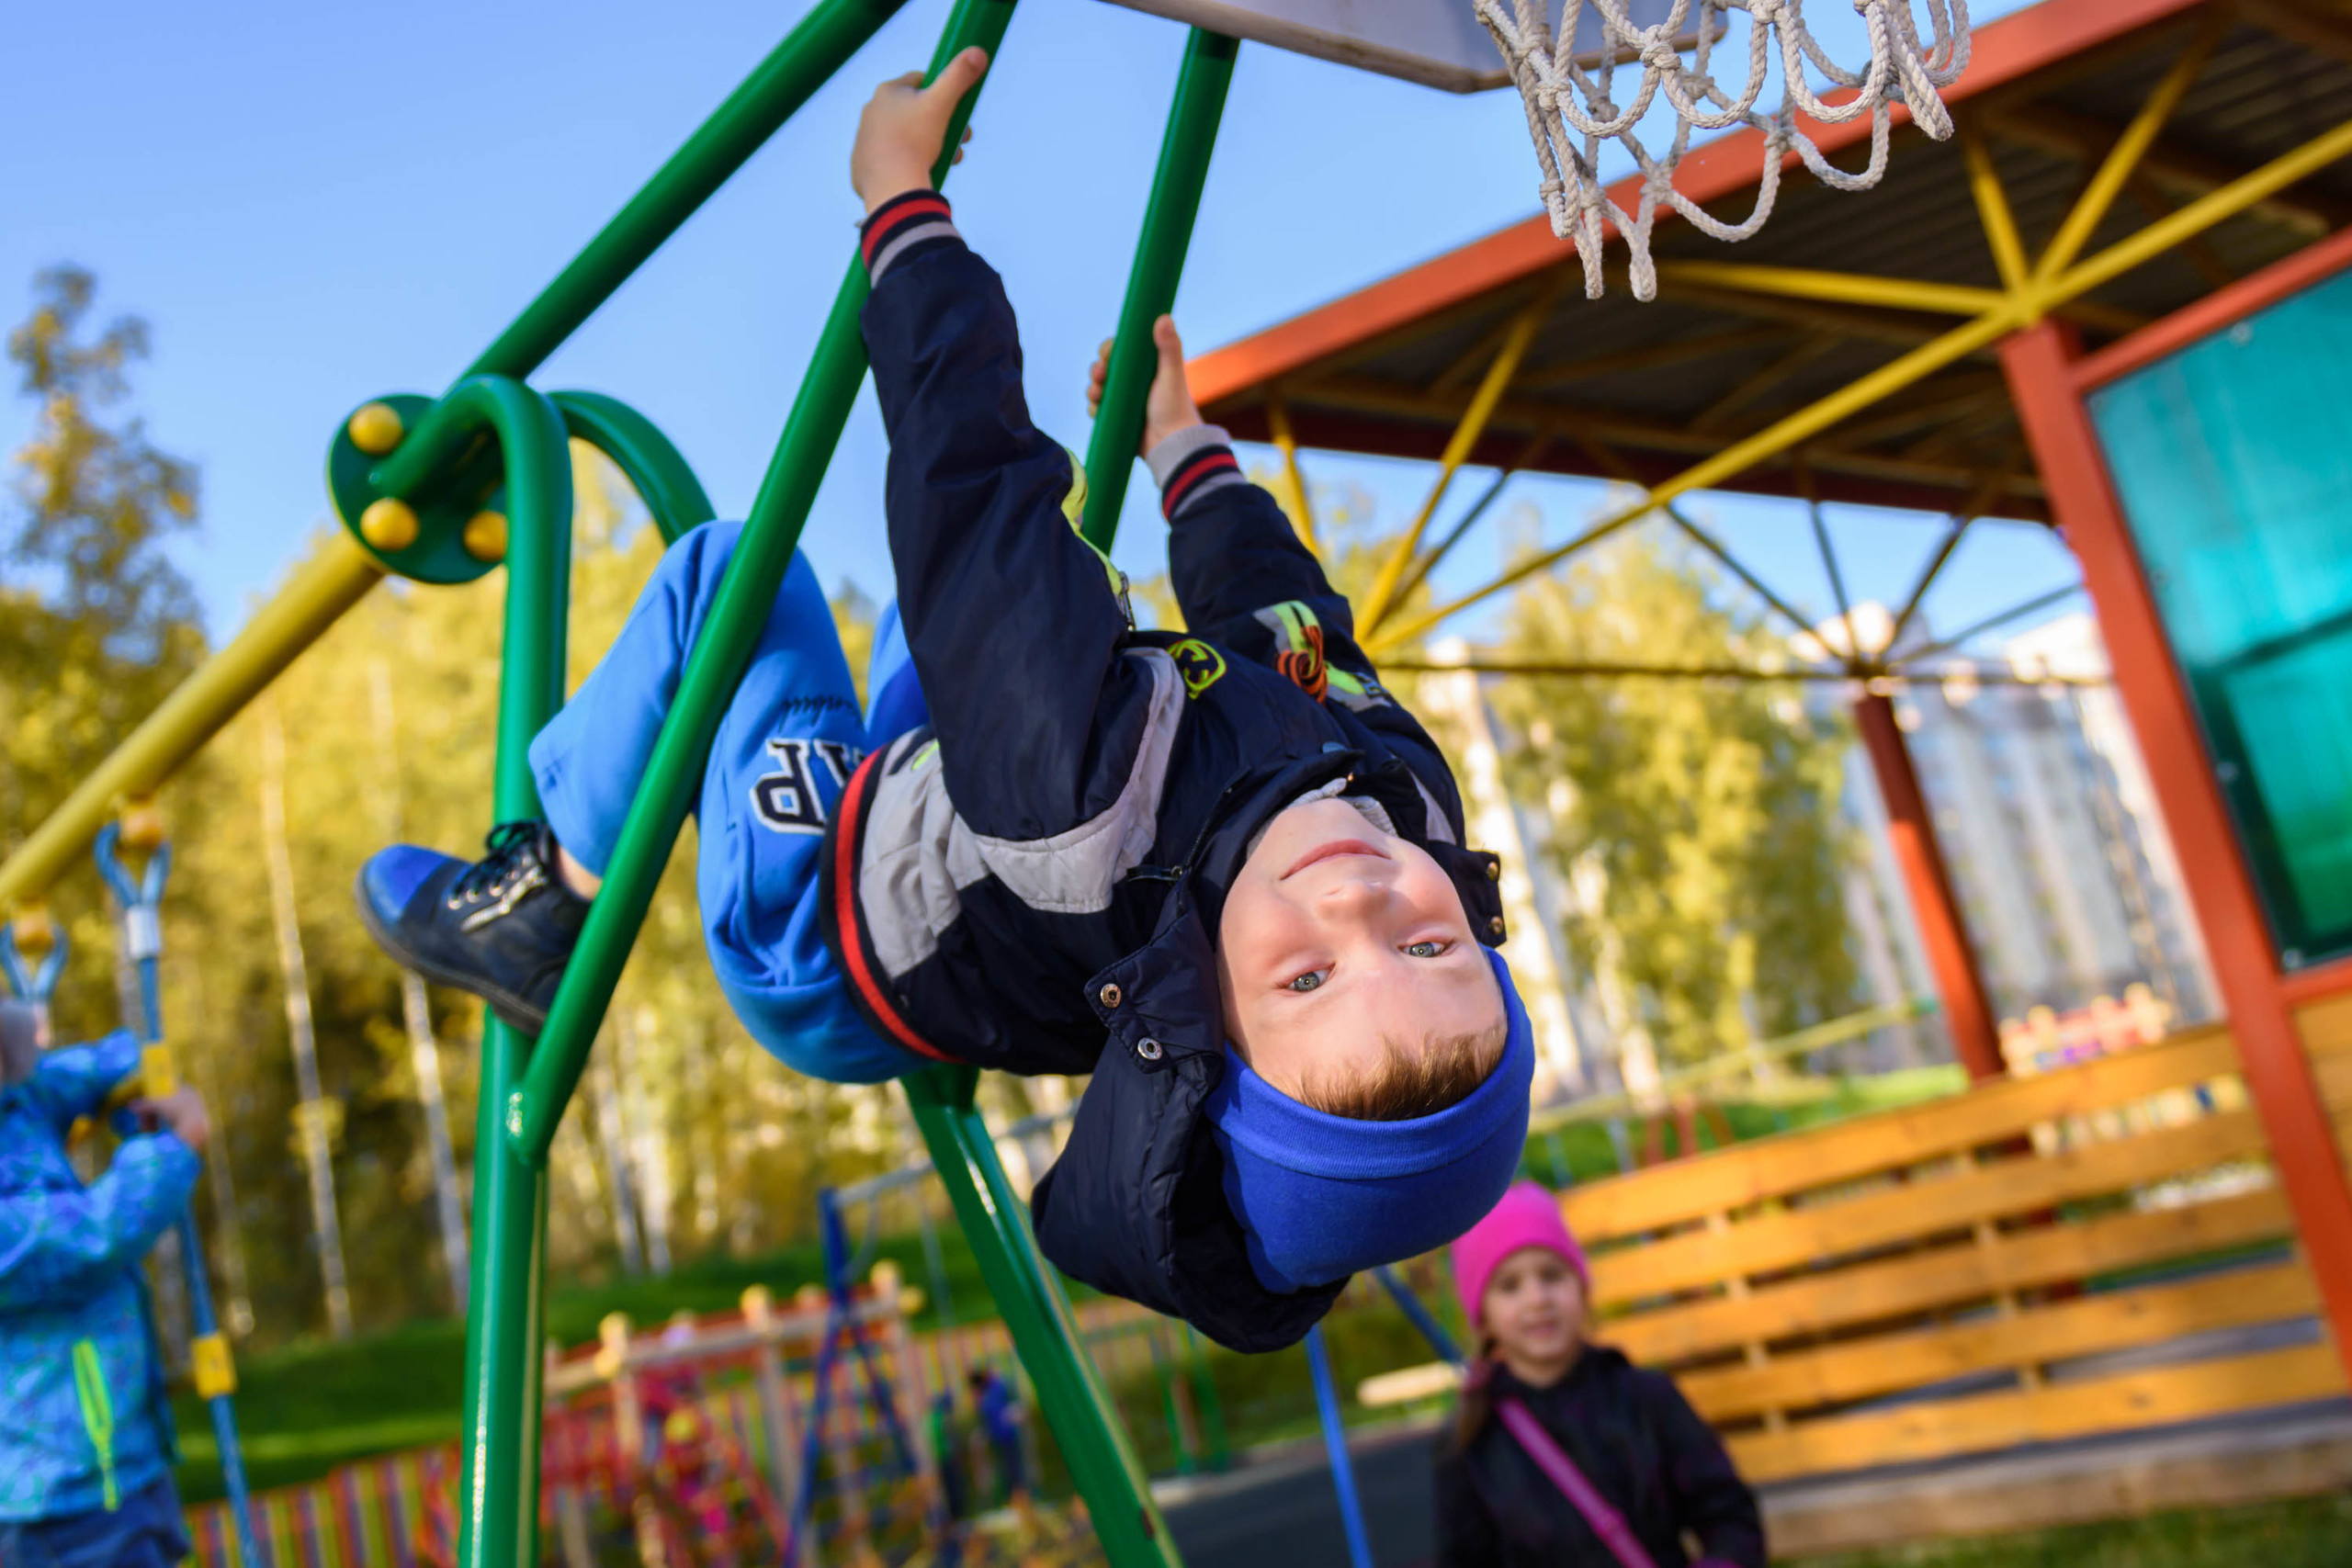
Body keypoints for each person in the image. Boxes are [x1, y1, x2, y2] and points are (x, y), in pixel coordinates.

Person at [353, 48, 1533, 1353]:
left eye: (1308, 976)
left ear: (1202, 1008)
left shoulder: (1090, 802)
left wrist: (900, 208)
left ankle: (538, 903)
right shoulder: (1397, 795)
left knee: (739, 582)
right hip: (971, 835)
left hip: (829, 920)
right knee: (1052, 605)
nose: (1366, 902)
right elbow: (1289, 625)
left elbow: (971, 489)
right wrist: (1183, 444)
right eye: (1430, 950)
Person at [1434, 1183, 1765, 1568]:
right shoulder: (1469, 1442)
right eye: (1510, 1286)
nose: (1537, 1298)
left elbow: (1729, 1515)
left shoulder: (1647, 1398)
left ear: (1581, 1286)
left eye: (1552, 1275)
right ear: (1484, 1317)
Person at [0, 998, 211, 1567]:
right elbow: (89, 1239)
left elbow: (76, 1071)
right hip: (54, 1496)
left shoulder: (16, 1107)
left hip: (117, 1466)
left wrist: (135, 1078)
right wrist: (176, 1145)